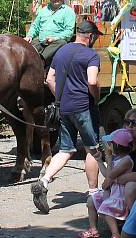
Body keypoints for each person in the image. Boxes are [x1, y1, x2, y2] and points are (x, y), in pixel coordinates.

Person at [31, 19, 102, 214]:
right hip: (84, 107)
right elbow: (92, 81)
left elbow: (49, 78)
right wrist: (95, 98)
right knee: (92, 149)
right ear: (91, 36)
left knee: (66, 149)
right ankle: (94, 192)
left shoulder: (61, 51)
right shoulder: (91, 55)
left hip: (65, 108)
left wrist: (60, 97)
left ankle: (44, 181)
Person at [80, 129, 134, 238]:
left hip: (120, 196)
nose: (108, 146)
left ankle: (116, 236)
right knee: (91, 201)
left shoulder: (126, 161)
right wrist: (99, 160)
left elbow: (110, 175)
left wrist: (108, 159)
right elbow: (106, 174)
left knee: (107, 209)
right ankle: (93, 229)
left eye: (110, 144)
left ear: (117, 146)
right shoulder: (116, 158)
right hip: (112, 193)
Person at [25, 0, 77, 65]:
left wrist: (54, 38)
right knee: (25, 47)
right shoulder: (43, 11)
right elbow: (35, 26)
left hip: (56, 42)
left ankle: (41, 61)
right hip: (41, 41)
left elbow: (69, 32)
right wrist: (29, 36)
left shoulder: (68, 12)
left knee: (62, 43)